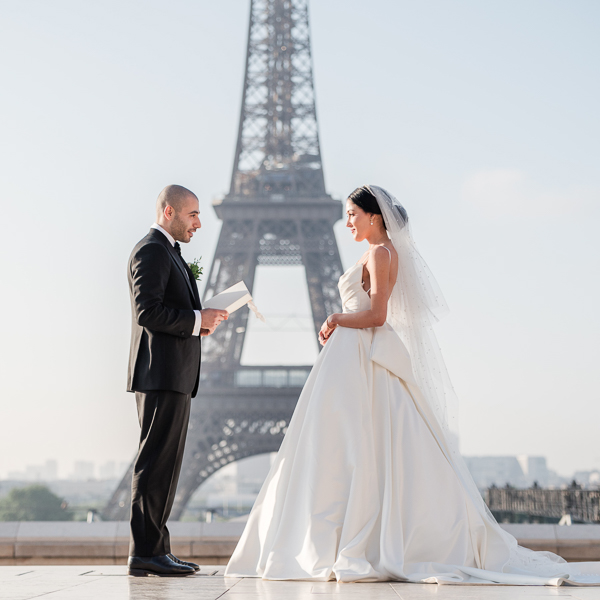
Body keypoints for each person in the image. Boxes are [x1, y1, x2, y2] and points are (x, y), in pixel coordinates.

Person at [225, 185, 600, 585]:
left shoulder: (382, 253)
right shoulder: (375, 252)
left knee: (347, 445)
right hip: (351, 357)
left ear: (375, 216)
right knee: (348, 445)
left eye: (352, 213)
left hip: (359, 355)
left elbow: (378, 315)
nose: (347, 221)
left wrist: (335, 318)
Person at [127, 185, 228, 577]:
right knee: (153, 464)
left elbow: (166, 312)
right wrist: (195, 320)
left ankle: (157, 549)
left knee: (166, 468)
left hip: (175, 374)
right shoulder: (151, 250)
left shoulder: (169, 252)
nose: (199, 223)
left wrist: (198, 324)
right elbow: (146, 311)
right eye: (193, 215)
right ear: (169, 211)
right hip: (161, 375)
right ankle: (144, 553)